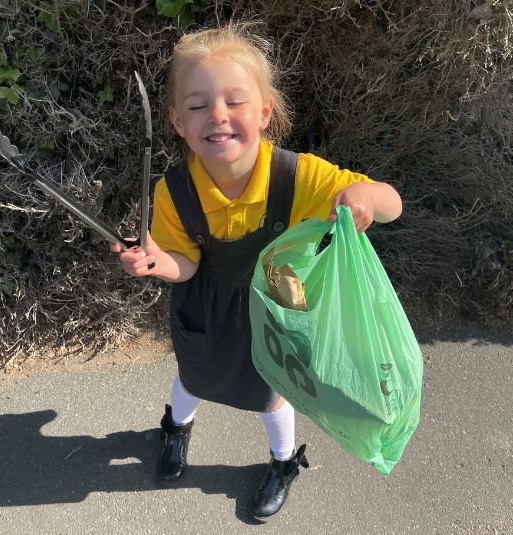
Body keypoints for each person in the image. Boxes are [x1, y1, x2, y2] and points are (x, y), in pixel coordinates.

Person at [111, 24, 402, 522]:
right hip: (205, 308)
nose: (217, 116)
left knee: (272, 393)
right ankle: (175, 428)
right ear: (178, 121)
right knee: (193, 376)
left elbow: (391, 202)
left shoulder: (298, 175)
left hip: (274, 310)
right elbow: (185, 265)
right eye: (198, 105)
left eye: (234, 101)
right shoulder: (174, 190)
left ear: (265, 111)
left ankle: (284, 461)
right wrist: (156, 262)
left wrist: (361, 198)